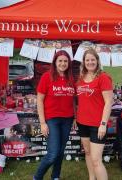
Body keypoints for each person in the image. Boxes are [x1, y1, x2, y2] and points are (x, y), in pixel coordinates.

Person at [33, 50, 75, 180]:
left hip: (67, 119)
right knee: (53, 153)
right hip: (52, 119)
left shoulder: (70, 78)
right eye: (60, 61)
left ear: (69, 63)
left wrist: (75, 117)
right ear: (55, 62)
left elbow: (73, 99)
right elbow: (39, 99)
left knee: (61, 151)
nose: (63, 63)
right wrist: (42, 123)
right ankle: (37, 177)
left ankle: (55, 176)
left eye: (65, 61)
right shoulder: (47, 77)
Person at [76, 48, 113, 180]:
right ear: (84, 62)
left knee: (96, 160)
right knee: (87, 153)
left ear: (97, 61)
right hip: (82, 122)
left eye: (93, 59)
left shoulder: (103, 77)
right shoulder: (80, 78)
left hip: (98, 125)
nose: (90, 62)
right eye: (87, 60)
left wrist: (103, 124)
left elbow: (109, 102)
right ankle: (92, 178)